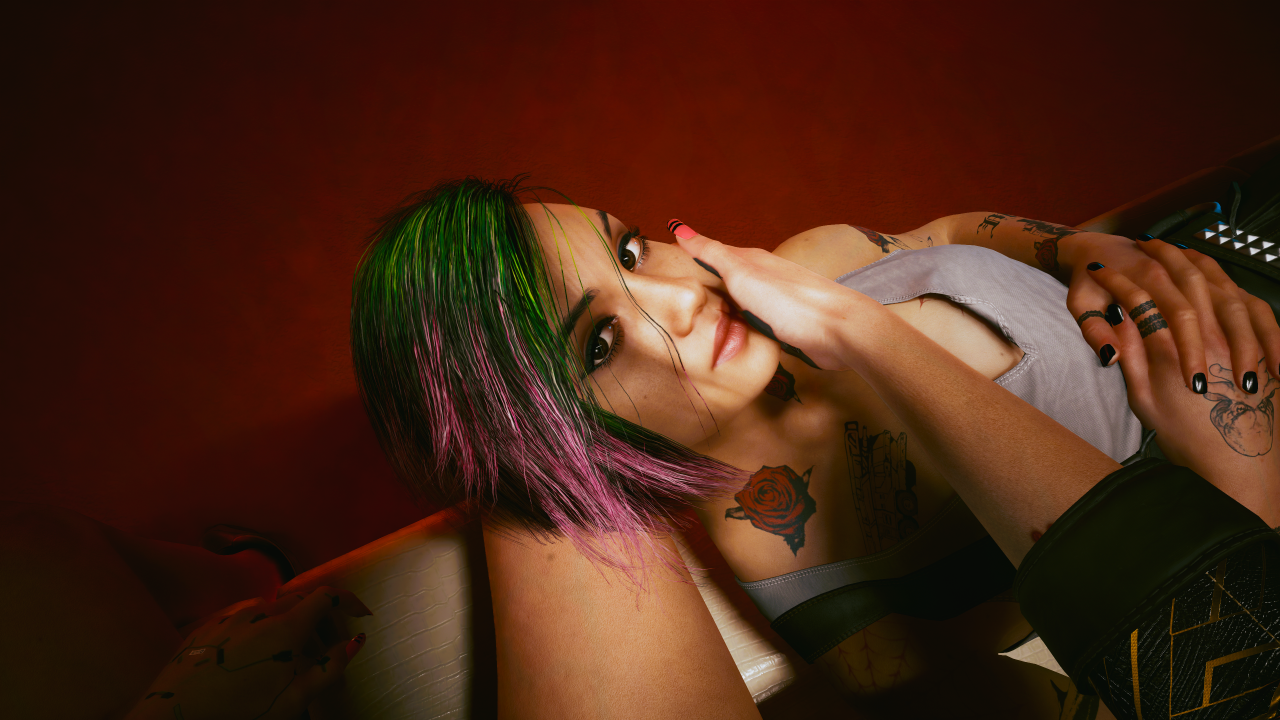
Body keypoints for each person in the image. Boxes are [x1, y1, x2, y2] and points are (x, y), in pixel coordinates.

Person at [348, 177, 1280, 718]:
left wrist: (1079, 249)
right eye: (597, 343)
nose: (678, 299)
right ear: (564, 441)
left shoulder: (810, 258)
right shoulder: (800, 571)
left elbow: (944, 231)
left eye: (628, 252)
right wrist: (1237, 469)